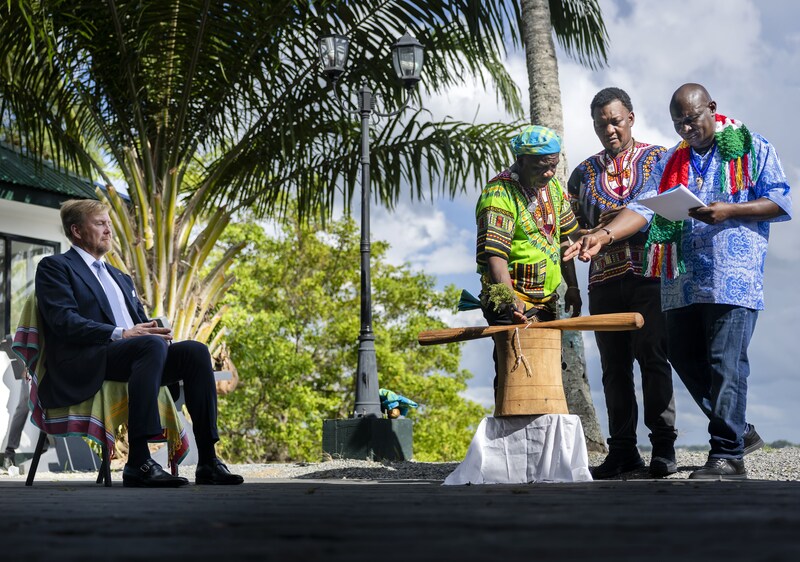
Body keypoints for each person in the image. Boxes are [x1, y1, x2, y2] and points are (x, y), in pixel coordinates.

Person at [564, 83, 790, 480]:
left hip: (731, 276)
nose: (686, 128)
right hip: (682, 281)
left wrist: (731, 210)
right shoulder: (671, 161)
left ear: (712, 108)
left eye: (692, 119)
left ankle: (727, 454)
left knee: (725, 364)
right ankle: (736, 434)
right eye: (678, 123)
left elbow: (780, 200)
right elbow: (642, 208)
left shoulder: (752, 147)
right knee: (684, 358)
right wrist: (603, 236)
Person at [35, 199, 243, 487]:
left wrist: (156, 333)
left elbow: (141, 324)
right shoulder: (56, 267)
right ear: (77, 231)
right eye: (100, 223)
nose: (109, 229)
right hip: (89, 358)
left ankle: (208, 460)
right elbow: (63, 321)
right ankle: (139, 462)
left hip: (137, 355)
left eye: (108, 223)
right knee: (149, 345)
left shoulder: (119, 276)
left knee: (195, 351)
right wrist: (121, 333)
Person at [567, 87, 677, 478]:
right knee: (614, 367)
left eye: (615, 120)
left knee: (653, 357)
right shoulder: (581, 173)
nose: (609, 129)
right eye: (601, 124)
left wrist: (609, 224)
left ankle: (664, 448)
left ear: (631, 116)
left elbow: (657, 209)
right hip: (603, 281)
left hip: (651, 274)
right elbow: (571, 230)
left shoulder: (660, 159)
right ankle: (623, 451)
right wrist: (573, 286)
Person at [475, 125, 581, 391]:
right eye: (540, 167)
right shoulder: (498, 194)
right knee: (518, 378)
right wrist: (512, 302)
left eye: (553, 166)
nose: (548, 173)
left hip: (546, 301)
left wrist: (574, 287)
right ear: (521, 161)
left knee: (546, 377)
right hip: (509, 302)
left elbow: (565, 239)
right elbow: (495, 255)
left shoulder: (554, 188)